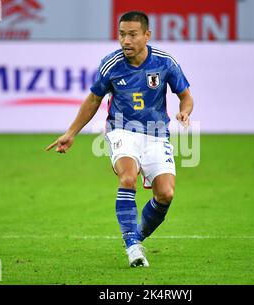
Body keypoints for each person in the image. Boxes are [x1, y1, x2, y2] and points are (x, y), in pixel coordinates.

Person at [46, 11, 193, 267]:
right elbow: (93, 99)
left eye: (133, 34)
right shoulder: (111, 64)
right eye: (122, 34)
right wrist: (71, 133)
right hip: (121, 130)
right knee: (127, 177)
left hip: (157, 135)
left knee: (166, 194)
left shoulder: (165, 63)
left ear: (147, 35)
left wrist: (184, 111)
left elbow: (186, 96)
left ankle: (137, 236)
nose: (126, 40)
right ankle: (132, 246)